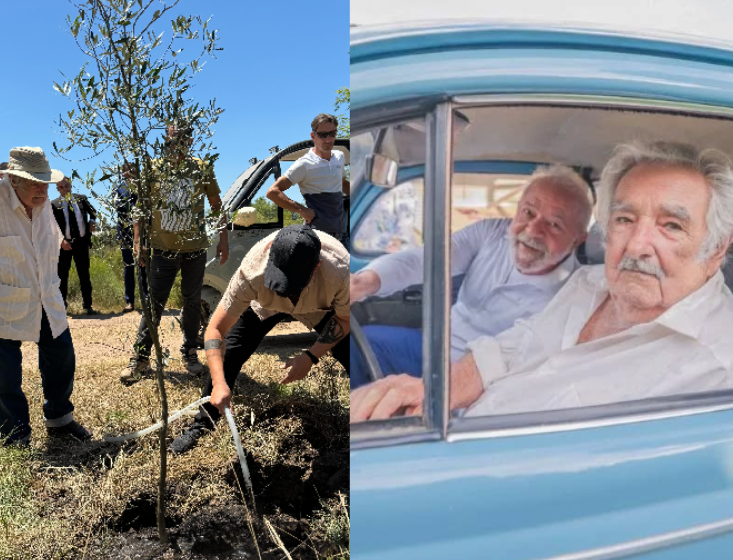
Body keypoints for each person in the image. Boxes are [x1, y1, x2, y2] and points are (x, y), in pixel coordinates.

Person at [350, 141, 733, 422]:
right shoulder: (589, 285)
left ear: (717, 248)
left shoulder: (719, 375)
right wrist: (432, 394)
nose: (637, 245)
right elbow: (511, 348)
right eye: (625, 219)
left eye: (671, 225)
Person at [349, 165, 593, 388]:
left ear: (577, 240)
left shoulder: (574, 294)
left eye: (554, 225)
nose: (533, 230)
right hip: (435, 347)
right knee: (353, 346)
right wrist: (365, 282)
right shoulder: (490, 233)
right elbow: (424, 259)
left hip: (485, 382)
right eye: (528, 212)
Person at [169, 224, 350, 454]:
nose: (286, 293)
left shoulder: (342, 272)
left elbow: (344, 321)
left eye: (292, 286)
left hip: (319, 306)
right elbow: (215, 329)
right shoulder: (252, 271)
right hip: (265, 305)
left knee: (354, 354)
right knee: (232, 351)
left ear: (317, 267)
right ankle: (203, 422)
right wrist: (219, 382)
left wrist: (310, 356)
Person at [0, 147, 91, 445]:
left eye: (45, 183)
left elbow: (50, 243)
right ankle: (15, 436)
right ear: (12, 179)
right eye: (34, 183)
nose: (42, 191)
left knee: (62, 356)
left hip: (46, 294)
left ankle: (59, 418)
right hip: (1, 297)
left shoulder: (44, 202)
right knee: (5, 374)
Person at [120, 123, 229, 383]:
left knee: (192, 302)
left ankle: (191, 353)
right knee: (154, 303)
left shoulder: (201, 168)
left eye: (184, 137)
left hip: (194, 251)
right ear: (167, 138)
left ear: (190, 140)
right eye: (174, 136)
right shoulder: (153, 169)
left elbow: (216, 205)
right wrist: (139, 242)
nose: (179, 141)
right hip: (163, 252)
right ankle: (141, 359)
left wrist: (223, 238)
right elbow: (141, 210)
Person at [266, 113, 350, 248]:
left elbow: (343, 183)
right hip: (318, 237)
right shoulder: (304, 164)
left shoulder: (339, 157)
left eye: (332, 134)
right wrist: (301, 209)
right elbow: (272, 192)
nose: (328, 139)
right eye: (323, 135)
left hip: (342, 234)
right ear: (313, 136)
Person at [51, 177, 98, 315]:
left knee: (84, 274)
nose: (66, 189)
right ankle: (62, 307)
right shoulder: (53, 204)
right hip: (64, 246)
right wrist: (61, 240)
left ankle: (88, 305)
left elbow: (93, 212)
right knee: (62, 276)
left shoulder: (81, 199)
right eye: (63, 187)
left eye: (68, 186)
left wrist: (92, 221)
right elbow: (51, 225)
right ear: (58, 189)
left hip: (81, 243)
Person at [112, 162, 148, 313]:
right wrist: (131, 193)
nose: (132, 172)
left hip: (143, 233)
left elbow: (147, 207)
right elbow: (119, 207)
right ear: (123, 173)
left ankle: (146, 298)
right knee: (128, 267)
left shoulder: (143, 187)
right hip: (126, 233)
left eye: (134, 170)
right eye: (128, 170)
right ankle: (130, 302)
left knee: (144, 265)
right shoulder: (118, 188)